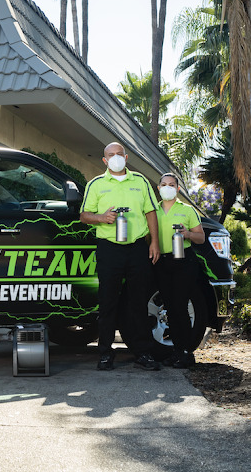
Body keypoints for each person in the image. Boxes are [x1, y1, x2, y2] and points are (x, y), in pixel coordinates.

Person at [80, 142, 162, 371]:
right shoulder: (96, 184)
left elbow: (151, 212)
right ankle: (105, 354)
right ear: (105, 161)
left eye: (119, 154)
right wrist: (101, 218)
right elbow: (84, 216)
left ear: (126, 157)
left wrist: (154, 242)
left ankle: (143, 353)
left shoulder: (140, 181)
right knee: (108, 302)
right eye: (110, 155)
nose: (116, 158)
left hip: (137, 248)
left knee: (138, 302)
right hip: (109, 249)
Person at [154, 173, 205, 368]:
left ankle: (186, 353)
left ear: (178, 189)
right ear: (158, 188)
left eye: (172, 185)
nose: (168, 187)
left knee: (180, 307)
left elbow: (200, 238)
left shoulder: (188, 210)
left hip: (184, 262)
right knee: (170, 308)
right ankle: (176, 350)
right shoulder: (153, 210)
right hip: (162, 262)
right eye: (164, 184)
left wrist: (188, 233)